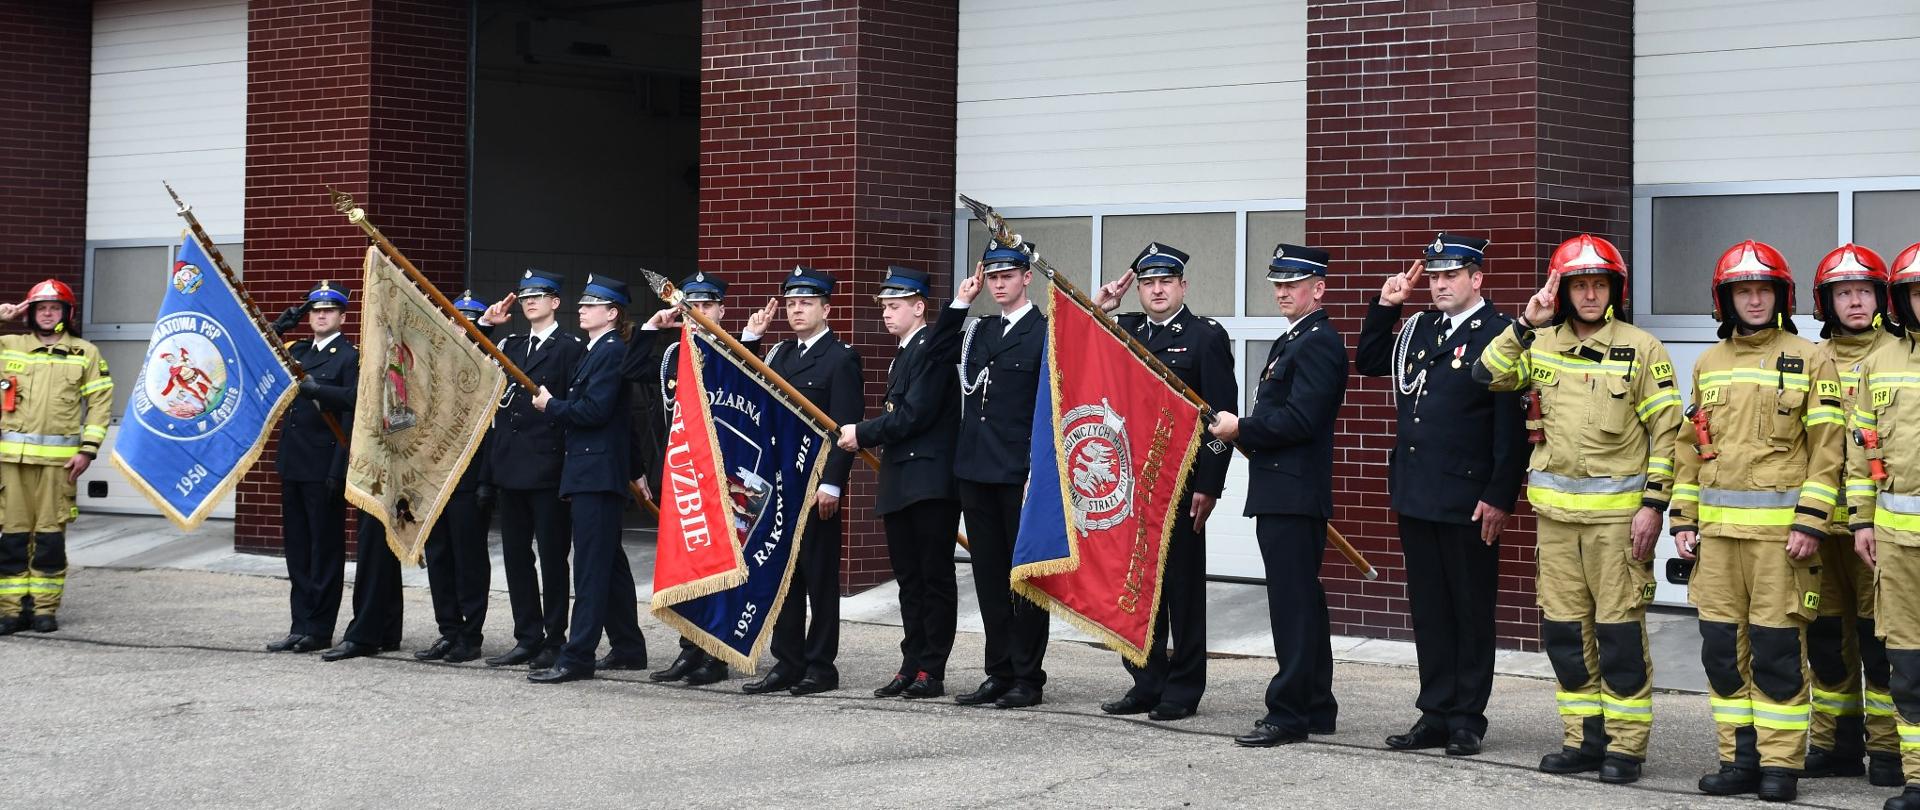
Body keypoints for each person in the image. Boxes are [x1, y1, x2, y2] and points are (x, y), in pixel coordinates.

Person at [1477, 235, 1682, 784]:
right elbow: (1486, 374)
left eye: (1599, 284)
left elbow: (1669, 437)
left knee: (1618, 638)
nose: (1590, 294)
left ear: (1615, 289)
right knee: (1565, 637)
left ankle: (1625, 747)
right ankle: (1582, 741)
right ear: (1562, 290)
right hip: (1556, 524)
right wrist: (1524, 321)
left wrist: (1653, 508)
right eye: (1579, 284)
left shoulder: (1642, 349)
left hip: (1618, 526)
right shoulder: (1539, 343)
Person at [1670, 240, 1846, 802]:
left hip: (1781, 545)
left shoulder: (1810, 356)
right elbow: (1688, 448)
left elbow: (1828, 449)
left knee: (1775, 656)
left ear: (1780, 296)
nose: (1752, 299)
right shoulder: (1707, 362)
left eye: (1762, 290)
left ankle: (1780, 766)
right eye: (1741, 290)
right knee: (1722, 655)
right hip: (1717, 545)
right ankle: (1738, 759)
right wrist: (1683, 519)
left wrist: (1810, 521)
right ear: (1725, 299)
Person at [1356, 233, 1526, 757]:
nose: (1440, 284)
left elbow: (1510, 428)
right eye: (1434, 275)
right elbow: (1369, 361)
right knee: (1428, 608)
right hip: (1417, 491)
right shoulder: (1419, 327)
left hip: (1468, 497)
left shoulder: (1499, 333)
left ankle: (1466, 718)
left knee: (1470, 608)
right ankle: (1434, 712)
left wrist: (1499, 495)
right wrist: (1385, 307)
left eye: (1452, 274)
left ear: (1477, 278)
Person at [1089, 243, 1237, 721]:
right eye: (1149, 283)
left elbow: (1219, 418)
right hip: (1131, 483)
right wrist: (1100, 307)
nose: (1156, 290)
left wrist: (1209, 484)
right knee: (1135, 585)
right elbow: (1076, 349)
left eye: (1165, 282)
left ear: (1182, 287)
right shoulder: (1125, 330)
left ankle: (1183, 688)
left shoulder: (1205, 337)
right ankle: (1145, 681)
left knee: (1182, 589)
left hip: (1182, 483)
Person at [1207, 244, 1348, 747]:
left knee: (1292, 604)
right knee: (1303, 601)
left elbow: (1302, 421)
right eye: (1278, 284)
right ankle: (1315, 704)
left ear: (1318, 288)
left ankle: (1287, 713)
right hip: (1282, 490)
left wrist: (1241, 426)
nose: (1283, 291)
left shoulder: (1318, 343)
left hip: (1294, 492)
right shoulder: (1294, 340)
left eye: (1293, 284)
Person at [837, 265, 964, 700]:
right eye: (885, 307)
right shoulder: (904, 352)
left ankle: (933, 667)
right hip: (901, 481)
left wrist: (862, 432)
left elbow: (915, 415)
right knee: (909, 579)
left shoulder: (931, 348)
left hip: (929, 481)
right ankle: (911, 663)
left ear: (918, 306)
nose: (886, 315)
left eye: (894, 306)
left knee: (933, 577)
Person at [735, 266, 862, 697]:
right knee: (783, 575)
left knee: (819, 577)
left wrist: (833, 484)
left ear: (827, 308)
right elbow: (750, 394)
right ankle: (786, 662)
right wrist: (751, 338)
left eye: (806, 302)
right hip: (778, 484)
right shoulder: (779, 355)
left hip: (814, 484)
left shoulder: (841, 358)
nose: (796, 310)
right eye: (790, 303)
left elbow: (844, 429)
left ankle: (820, 666)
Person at [935, 245, 1051, 709]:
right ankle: (998, 670)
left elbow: (1049, 410)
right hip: (975, 467)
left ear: (1026, 278)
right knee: (987, 576)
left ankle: (1027, 675)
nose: (999, 284)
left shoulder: (1044, 332)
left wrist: (1037, 472)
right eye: (993, 276)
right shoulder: (977, 329)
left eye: (1008, 275)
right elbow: (937, 352)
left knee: (1023, 578)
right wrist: (961, 302)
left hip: (1018, 471)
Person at [1804, 245, 1903, 786]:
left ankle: (1888, 752)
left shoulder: (1900, 353)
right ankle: (1835, 744)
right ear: (1827, 302)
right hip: (1821, 529)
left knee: (1880, 639)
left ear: (1881, 297)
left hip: (1880, 530)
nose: (1856, 301)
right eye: (1844, 293)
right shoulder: (1810, 357)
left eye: (1864, 291)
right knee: (1825, 641)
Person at [528, 274, 649, 683]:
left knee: (591, 568)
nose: (581, 309)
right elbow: (621, 420)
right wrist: (635, 469)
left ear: (612, 313)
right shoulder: (597, 351)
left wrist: (552, 406)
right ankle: (629, 646)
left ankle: (577, 655)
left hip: (595, 474)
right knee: (608, 563)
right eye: (581, 303)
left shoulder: (612, 352)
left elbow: (595, 411)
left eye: (591, 304)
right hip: (592, 471)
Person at [476, 269, 584, 670]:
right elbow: (472, 359)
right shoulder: (511, 343)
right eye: (525, 297)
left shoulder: (569, 347)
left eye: (538, 296)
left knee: (554, 556)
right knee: (517, 556)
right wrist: (485, 323)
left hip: (548, 466)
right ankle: (527, 636)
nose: (529, 302)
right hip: (510, 465)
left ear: (556, 302)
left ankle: (555, 638)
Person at [634, 272, 738, 687]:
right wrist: (651, 328)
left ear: (720, 310)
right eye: (688, 306)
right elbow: (630, 371)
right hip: (679, 476)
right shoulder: (671, 352)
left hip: (720, 479)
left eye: (705, 306)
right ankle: (688, 649)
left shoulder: (732, 352)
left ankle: (715, 653)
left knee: (715, 567)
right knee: (684, 566)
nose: (695, 313)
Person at [1845, 241, 1920, 810]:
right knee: (1908, 666)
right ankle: (1918, 777)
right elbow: (1860, 454)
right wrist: (1862, 522)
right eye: (1918, 292)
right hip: (1897, 545)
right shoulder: (1880, 364)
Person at [0, 280, 111, 635]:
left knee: (49, 539)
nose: (48, 314)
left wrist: (87, 451)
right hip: (10, 464)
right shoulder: (8, 346)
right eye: (41, 308)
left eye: (55, 308)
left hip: (59, 465)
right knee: (13, 538)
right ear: (30, 312)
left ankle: (45, 610)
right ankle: (11, 612)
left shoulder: (85, 353)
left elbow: (99, 406)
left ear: (67, 313)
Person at [261, 281, 357, 653]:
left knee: (325, 551)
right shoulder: (296, 350)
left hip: (324, 466)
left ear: (342, 317)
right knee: (297, 550)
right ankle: (298, 624)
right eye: (314, 310)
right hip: (294, 462)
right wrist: (285, 323)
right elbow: (259, 349)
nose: (320, 315)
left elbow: (352, 405)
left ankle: (319, 629)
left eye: (328, 310)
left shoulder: (348, 356)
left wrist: (338, 470)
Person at [414, 291, 495, 664]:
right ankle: (448, 630)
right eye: (454, 320)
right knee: (440, 556)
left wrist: (486, 480)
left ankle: (471, 635)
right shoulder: (433, 367)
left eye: (468, 321)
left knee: (469, 559)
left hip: (469, 479)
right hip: (435, 478)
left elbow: (493, 430)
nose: (459, 327)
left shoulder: (487, 366)